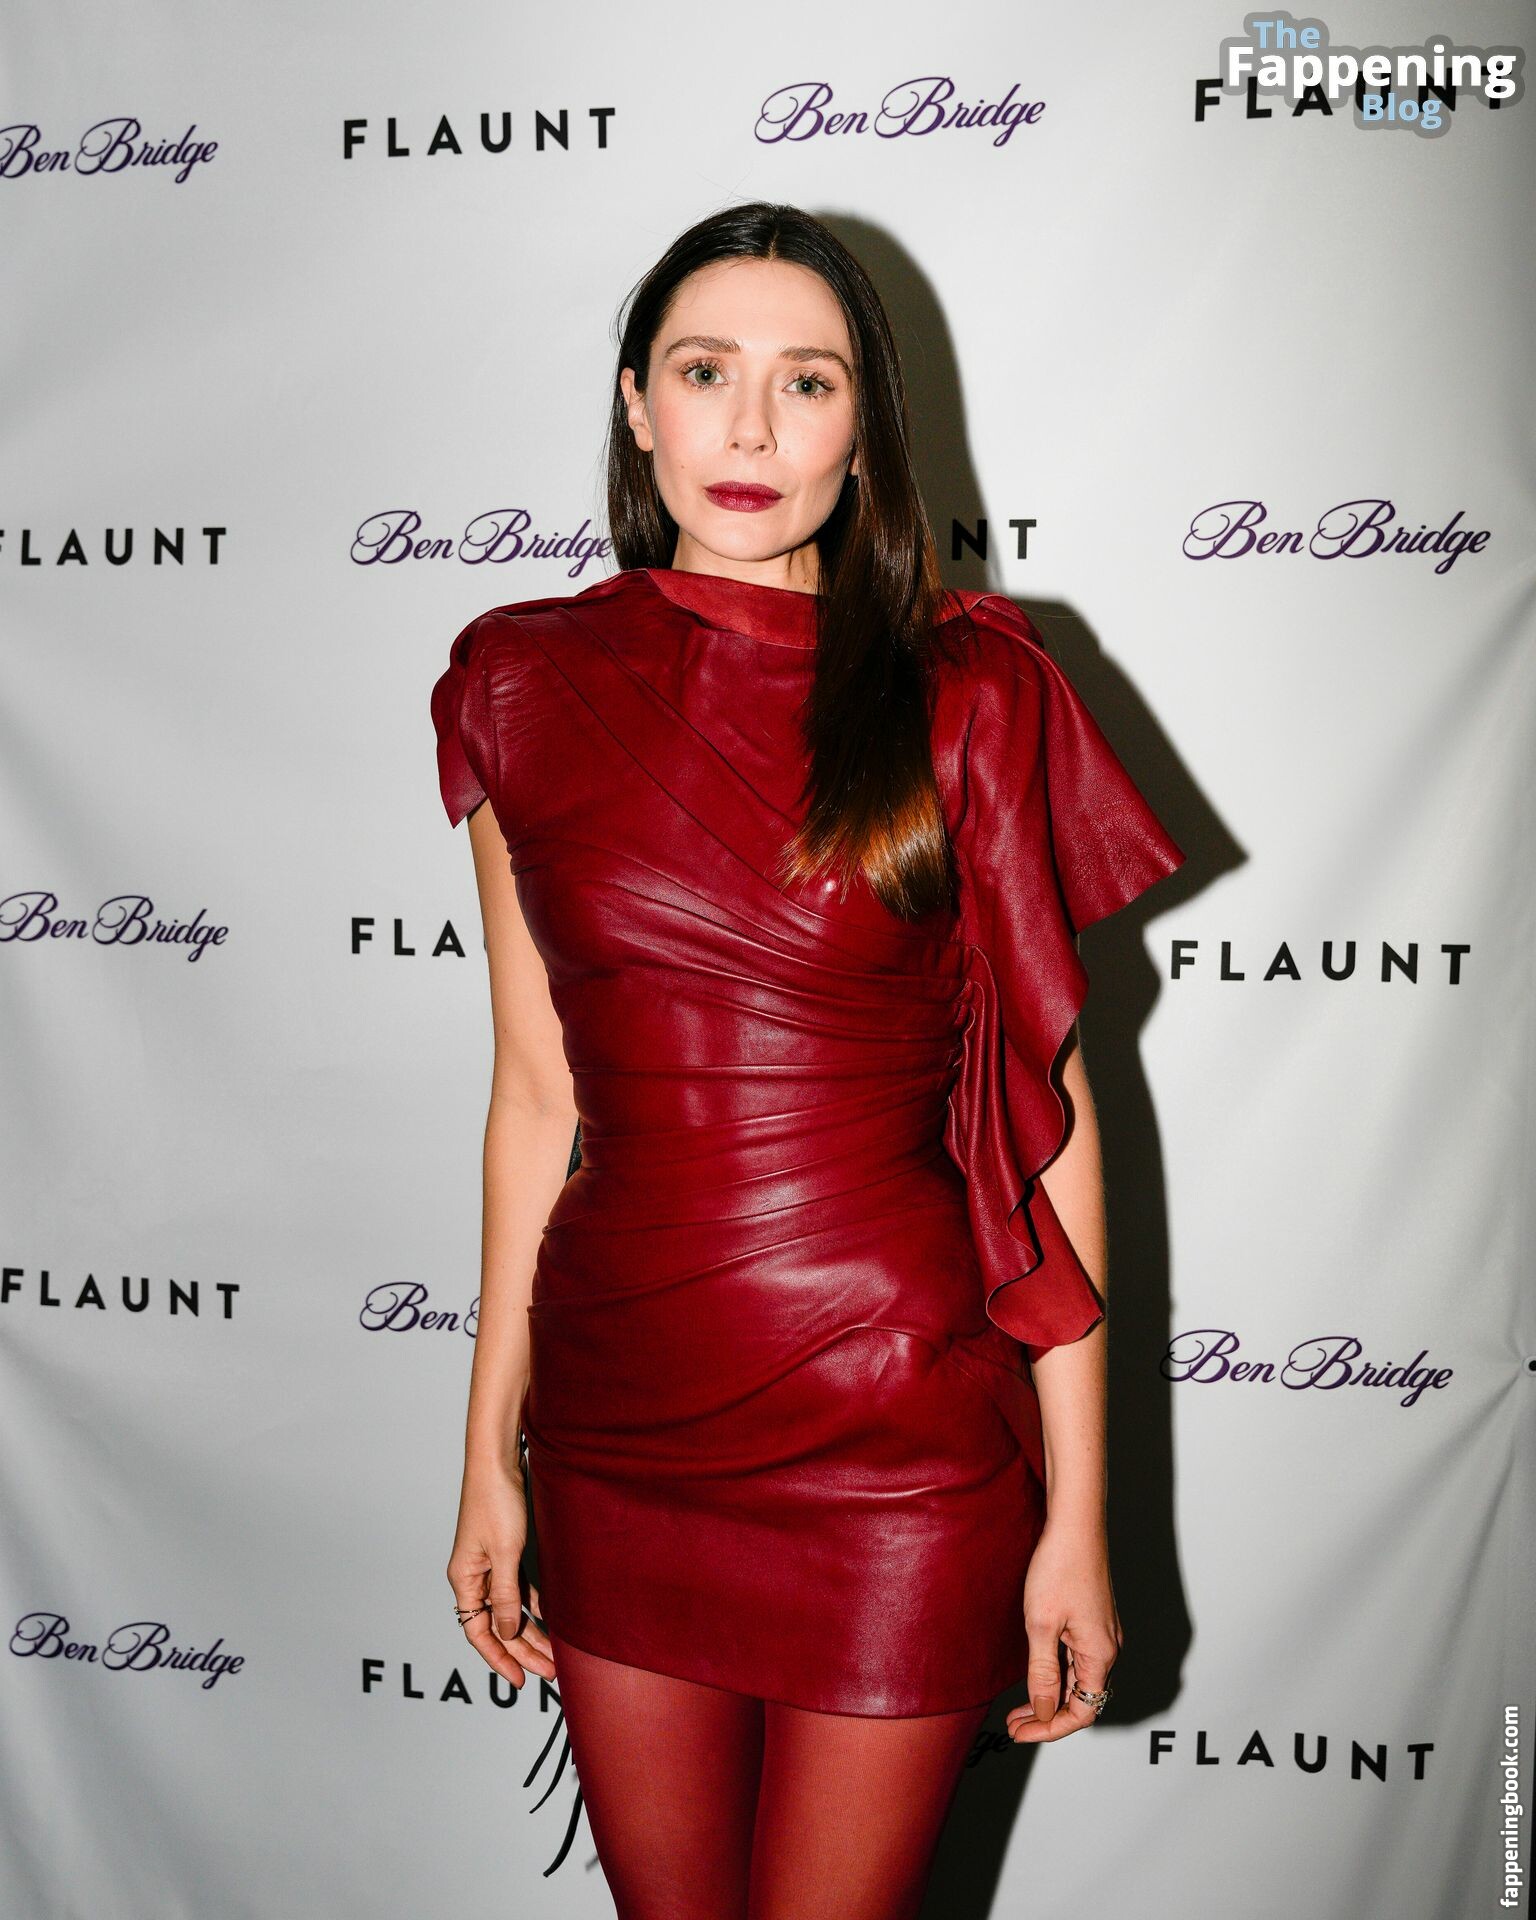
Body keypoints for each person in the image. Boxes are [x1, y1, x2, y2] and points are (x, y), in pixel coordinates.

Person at [430, 201, 1185, 1920]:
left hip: (900, 1442)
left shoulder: (972, 693)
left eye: (809, 382)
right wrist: (487, 1454)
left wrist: (1079, 1511)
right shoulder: (517, 684)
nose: (754, 428)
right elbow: (535, 1098)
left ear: (865, 430)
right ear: (639, 404)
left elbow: (1047, 1126)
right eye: (707, 372)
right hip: (621, 1425)